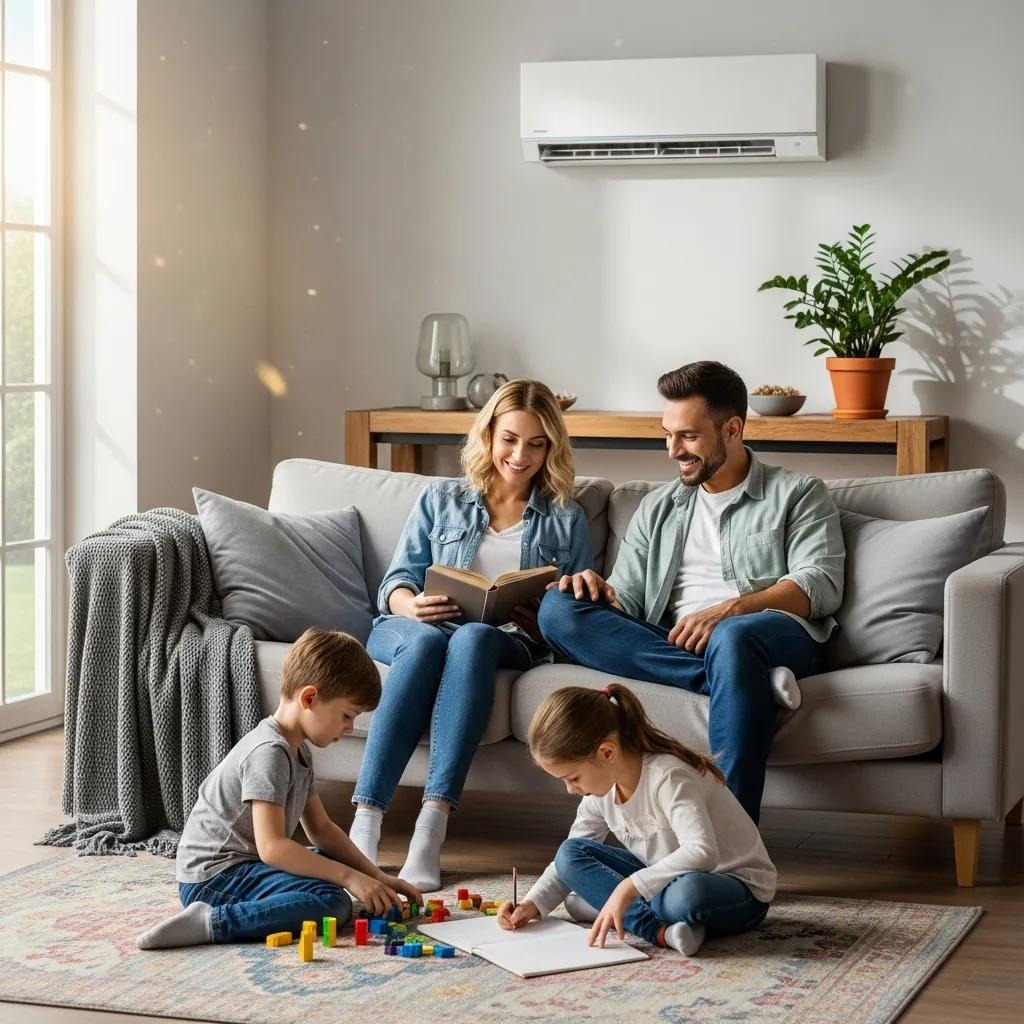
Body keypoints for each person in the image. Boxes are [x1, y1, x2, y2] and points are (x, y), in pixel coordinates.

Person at [537, 361, 845, 822]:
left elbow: (819, 584)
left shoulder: (797, 493)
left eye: (688, 436)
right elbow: (631, 603)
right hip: (682, 642)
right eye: (667, 434)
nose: (672, 450)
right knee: (558, 608)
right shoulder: (657, 508)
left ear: (733, 429)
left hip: (771, 633)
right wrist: (600, 593)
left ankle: (735, 834)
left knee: (733, 639)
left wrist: (729, 611)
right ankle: (734, 679)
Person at [349, 379, 594, 891]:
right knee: (430, 641)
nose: (520, 455)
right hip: (418, 627)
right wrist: (410, 605)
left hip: (503, 638)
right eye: (509, 439)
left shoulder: (565, 517)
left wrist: (544, 614)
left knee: (473, 638)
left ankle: (429, 830)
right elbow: (395, 581)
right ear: (488, 436)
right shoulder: (442, 497)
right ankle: (364, 825)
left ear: (552, 447)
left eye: (536, 443)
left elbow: (577, 606)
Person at [135, 628, 423, 948]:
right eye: (346, 715)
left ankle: (232, 912)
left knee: (330, 863)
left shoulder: (298, 750)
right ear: (309, 698)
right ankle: (211, 922)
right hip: (213, 878)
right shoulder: (269, 752)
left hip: (246, 864)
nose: (349, 728)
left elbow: (322, 830)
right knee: (332, 902)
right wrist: (349, 878)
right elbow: (271, 848)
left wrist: (376, 877)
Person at [498, 684, 776, 956]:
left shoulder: (668, 776)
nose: (570, 789)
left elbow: (703, 853)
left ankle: (649, 924)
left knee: (683, 896)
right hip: (663, 878)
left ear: (607, 752)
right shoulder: (601, 791)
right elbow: (570, 858)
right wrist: (532, 904)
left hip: (733, 887)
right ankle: (667, 931)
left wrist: (626, 889)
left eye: (573, 778)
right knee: (569, 856)